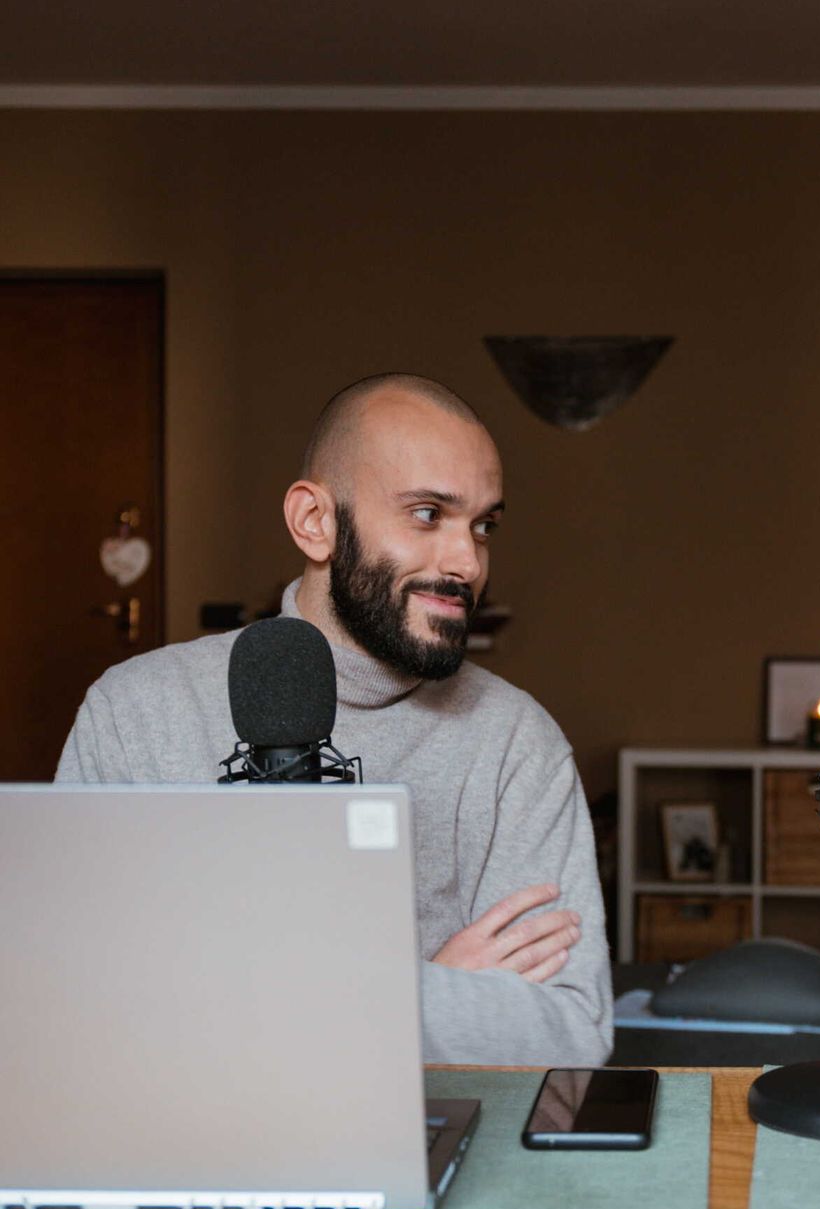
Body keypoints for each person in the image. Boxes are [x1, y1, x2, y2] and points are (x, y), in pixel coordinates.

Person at [57, 373, 612, 1067]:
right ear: (314, 522)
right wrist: (413, 994)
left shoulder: (516, 743)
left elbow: (571, 1029)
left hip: (429, 1127)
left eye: (483, 526)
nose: (467, 562)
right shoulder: (137, 712)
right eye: (427, 514)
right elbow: (75, 1004)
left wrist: (291, 1001)